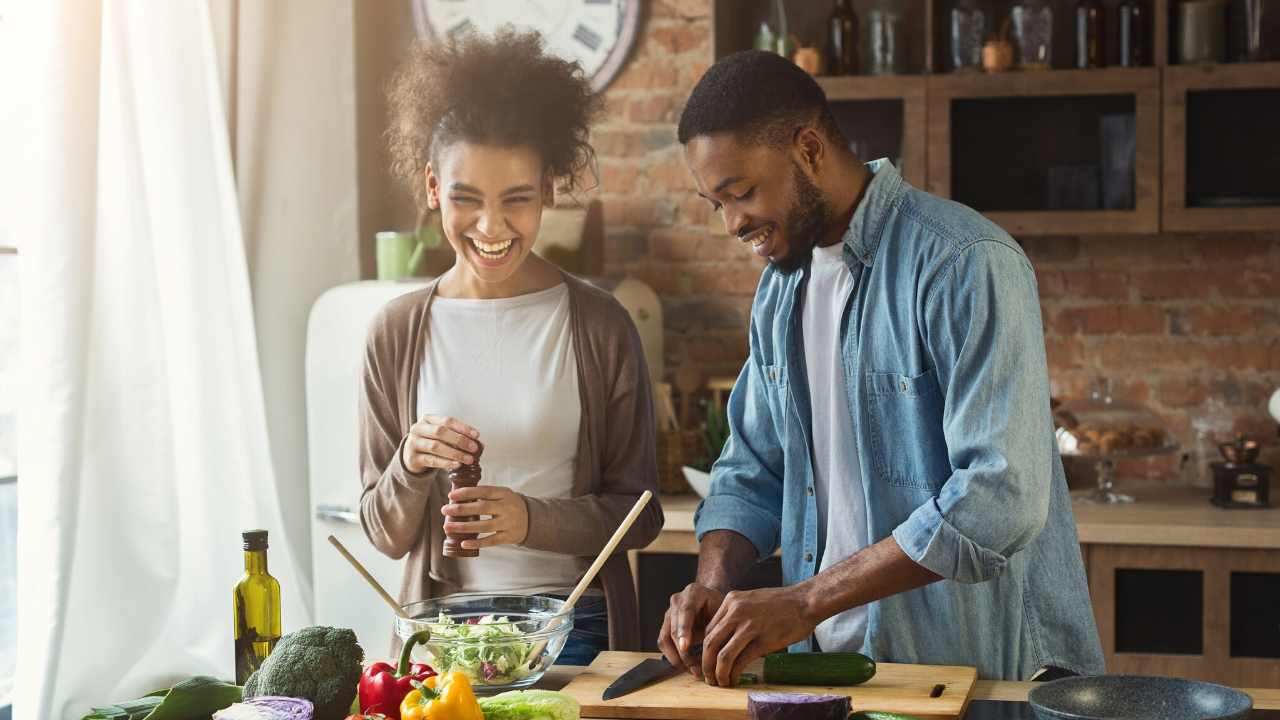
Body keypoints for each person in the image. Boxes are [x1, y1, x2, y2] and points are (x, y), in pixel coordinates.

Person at [657, 50, 1104, 684]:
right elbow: (751, 466)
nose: (733, 224)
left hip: (975, 673)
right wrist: (712, 583)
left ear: (809, 149)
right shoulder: (781, 289)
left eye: (743, 193)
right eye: (715, 204)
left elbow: (999, 497)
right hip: (829, 670)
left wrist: (806, 601)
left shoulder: (963, 262)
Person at [359, 29, 663, 665]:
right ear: (433, 187)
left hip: (572, 627)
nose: (491, 228)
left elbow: (642, 515)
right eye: (466, 199)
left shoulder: (602, 325)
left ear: (549, 188)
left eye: (517, 200)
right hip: (442, 637)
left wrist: (531, 520)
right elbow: (383, 533)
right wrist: (410, 466)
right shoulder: (394, 333)